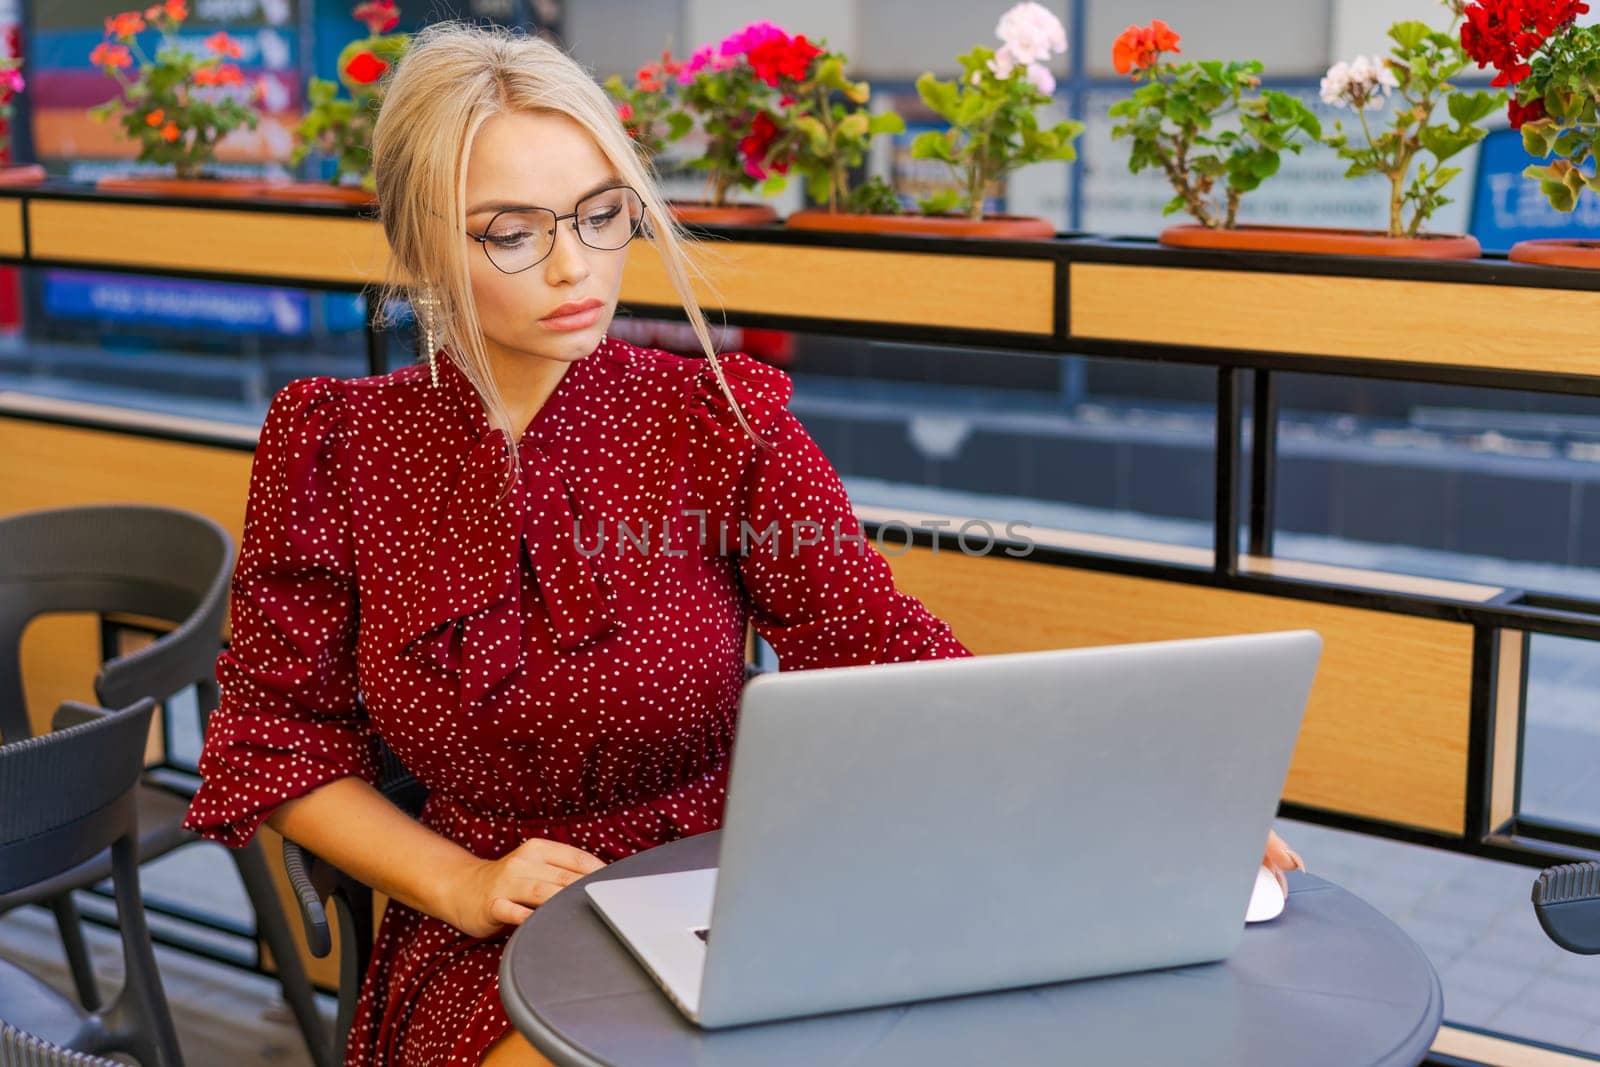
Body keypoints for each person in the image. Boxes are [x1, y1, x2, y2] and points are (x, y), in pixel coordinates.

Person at [180, 20, 1303, 1067]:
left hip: (727, 896)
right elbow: (277, 742)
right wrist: (462, 879)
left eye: (600, 213)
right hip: (492, 930)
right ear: (418, 247)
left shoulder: (716, 417)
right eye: (512, 234)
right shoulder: (336, 443)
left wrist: (1134, 795)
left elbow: (881, 647)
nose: (575, 267)